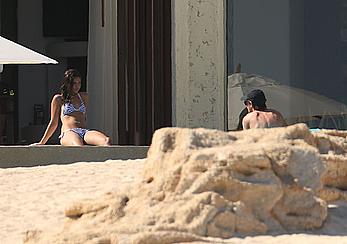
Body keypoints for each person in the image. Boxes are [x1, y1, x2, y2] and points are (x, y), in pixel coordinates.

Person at [32, 69, 111, 146]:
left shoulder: (84, 96)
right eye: (74, 83)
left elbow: (83, 117)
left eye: (79, 83)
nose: (77, 86)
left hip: (84, 131)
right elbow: (53, 123)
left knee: (106, 140)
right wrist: (42, 142)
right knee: (78, 144)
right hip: (68, 132)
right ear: (68, 84)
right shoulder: (59, 99)